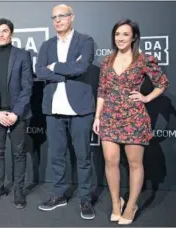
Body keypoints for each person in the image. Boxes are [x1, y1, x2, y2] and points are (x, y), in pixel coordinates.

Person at [93, 19, 169, 225]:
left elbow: (162, 83)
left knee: (135, 164)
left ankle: (131, 205)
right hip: (109, 116)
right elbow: (102, 91)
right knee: (111, 161)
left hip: (134, 118)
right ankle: (116, 204)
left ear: (134, 37)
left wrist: (146, 98)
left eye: (125, 34)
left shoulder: (144, 59)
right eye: (117, 34)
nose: (120, 38)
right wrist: (97, 117)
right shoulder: (107, 61)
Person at [36, 4, 96, 219]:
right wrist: (64, 70)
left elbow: (81, 67)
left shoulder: (85, 41)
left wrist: (55, 67)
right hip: (53, 109)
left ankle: (85, 199)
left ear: (72, 17)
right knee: (56, 156)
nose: (57, 20)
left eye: (62, 16)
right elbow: (39, 71)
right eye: (54, 17)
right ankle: (58, 195)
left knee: (83, 157)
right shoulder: (46, 45)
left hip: (80, 108)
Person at [0, 18, 33, 209]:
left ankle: (18, 190)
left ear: (11, 33)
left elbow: (28, 87)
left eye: (5, 31)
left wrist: (16, 112)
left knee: (19, 153)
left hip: (18, 114)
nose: (1, 34)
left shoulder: (23, 55)